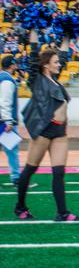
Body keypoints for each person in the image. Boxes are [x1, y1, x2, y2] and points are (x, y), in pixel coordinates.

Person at [15, 29, 79, 221]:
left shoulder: (55, 81)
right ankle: (20, 207)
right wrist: (34, 31)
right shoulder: (36, 80)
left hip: (60, 132)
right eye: (55, 63)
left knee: (59, 173)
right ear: (45, 65)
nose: (59, 64)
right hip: (43, 130)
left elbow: (63, 54)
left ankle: (62, 213)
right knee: (30, 169)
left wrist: (68, 34)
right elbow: (33, 56)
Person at [0, 56, 20, 186]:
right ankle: (16, 177)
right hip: (4, 122)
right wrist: (8, 121)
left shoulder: (2, 78)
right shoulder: (7, 80)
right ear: (12, 65)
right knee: (12, 149)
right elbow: (5, 102)